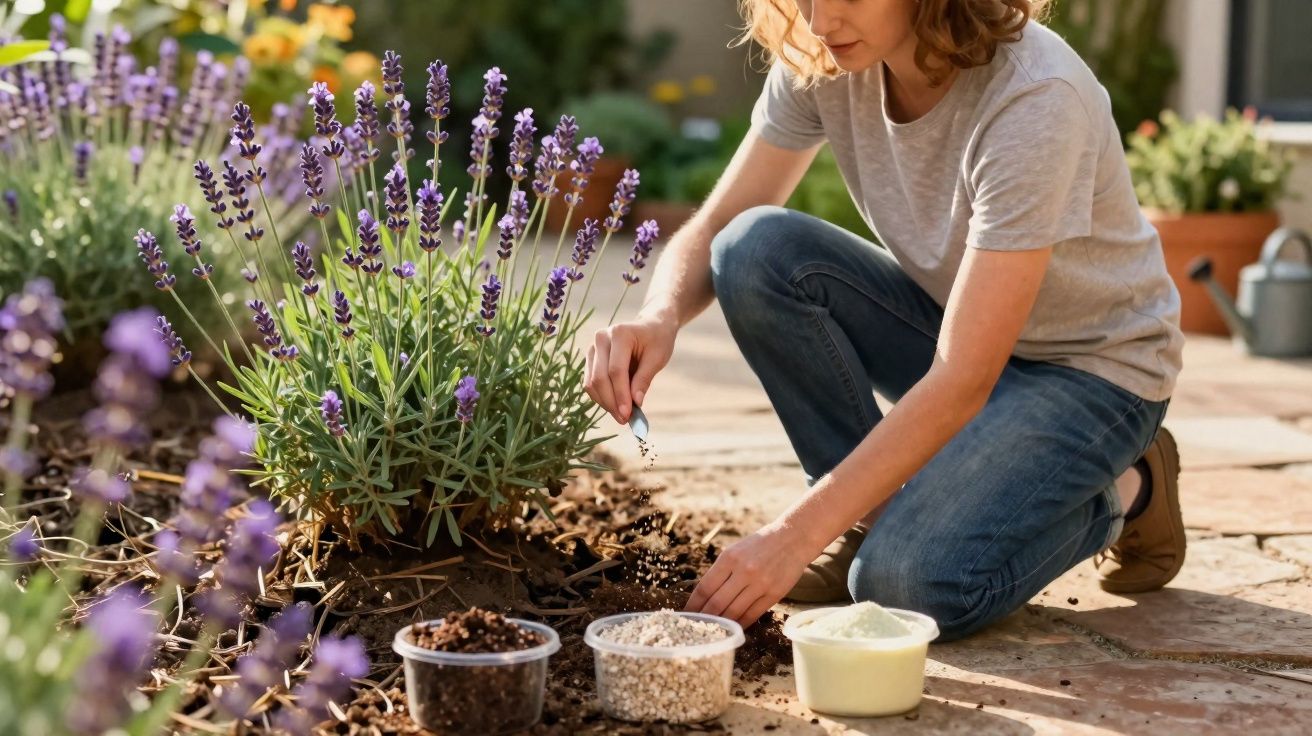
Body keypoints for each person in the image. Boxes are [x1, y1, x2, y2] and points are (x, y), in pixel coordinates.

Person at [584, 0, 1185, 641]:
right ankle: (867, 516)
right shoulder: (826, 57)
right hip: (961, 329)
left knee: (903, 587)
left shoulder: (1035, 96)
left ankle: (1127, 484)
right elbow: (717, 225)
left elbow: (963, 378)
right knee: (753, 248)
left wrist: (795, 534)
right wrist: (660, 316)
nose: (819, 21)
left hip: (1092, 373)